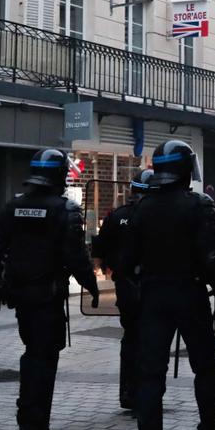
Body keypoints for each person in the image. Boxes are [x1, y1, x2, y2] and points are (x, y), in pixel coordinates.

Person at [120, 140, 215, 430]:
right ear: (185, 170)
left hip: (153, 297)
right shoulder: (198, 205)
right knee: (206, 368)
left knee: (150, 376)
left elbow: (125, 264)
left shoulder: (141, 207)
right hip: (190, 293)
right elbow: (212, 258)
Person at [0, 148, 100, 430]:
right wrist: (91, 284)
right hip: (48, 296)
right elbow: (76, 256)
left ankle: (27, 418)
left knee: (31, 353)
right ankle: (37, 428)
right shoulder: (64, 210)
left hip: (20, 295)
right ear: (59, 175)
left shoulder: (13, 207)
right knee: (45, 358)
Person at [91, 170, 152, 411]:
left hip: (125, 288)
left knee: (130, 340)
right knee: (149, 342)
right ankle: (144, 394)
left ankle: (128, 392)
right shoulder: (154, 216)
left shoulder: (117, 216)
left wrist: (106, 272)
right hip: (151, 288)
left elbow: (100, 249)